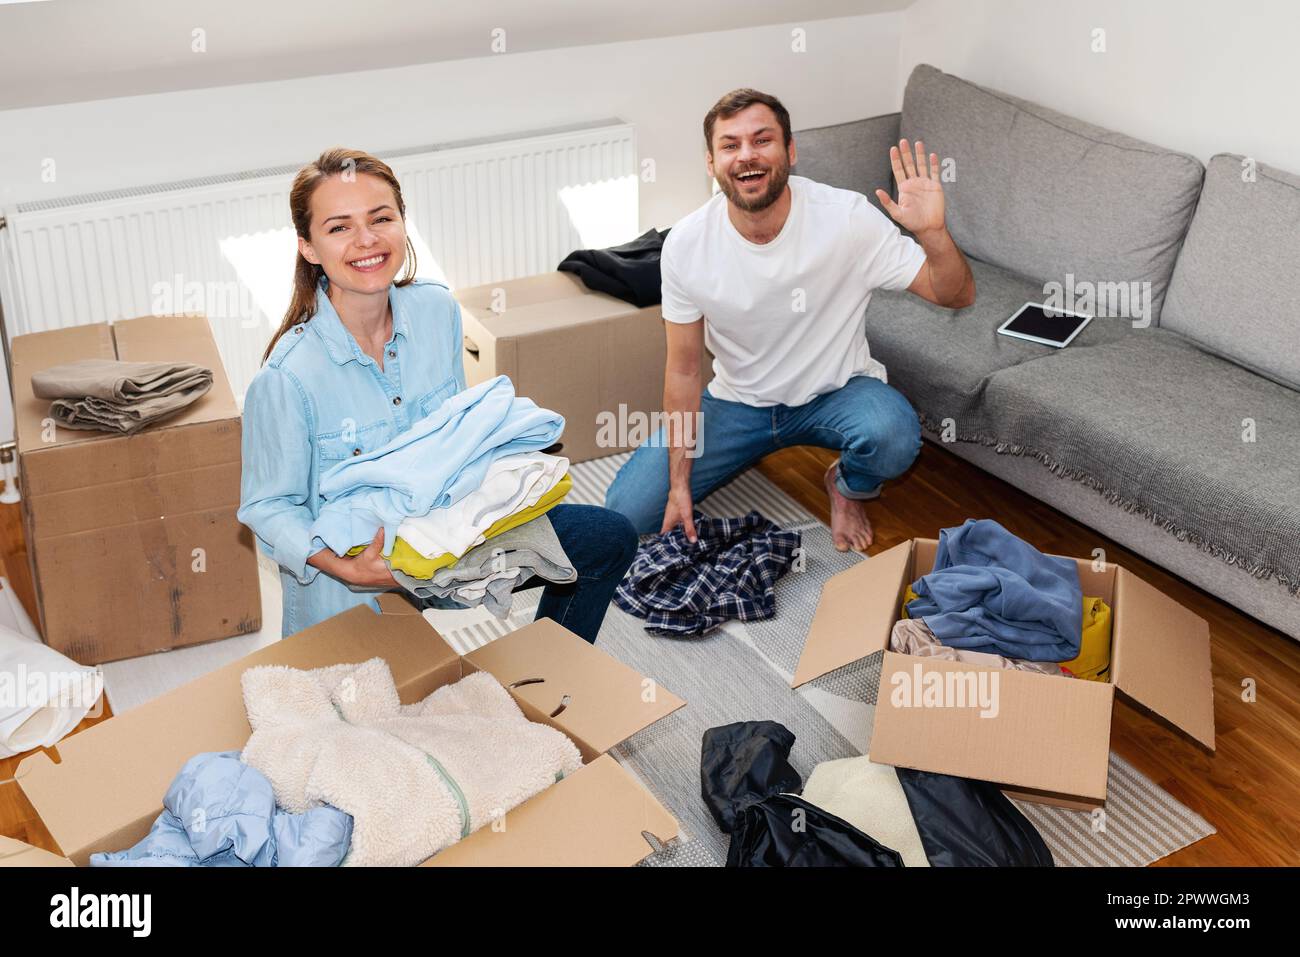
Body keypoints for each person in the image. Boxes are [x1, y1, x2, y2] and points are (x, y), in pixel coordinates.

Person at [239, 148, 637, 641]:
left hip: (450, 539)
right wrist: (349, 570)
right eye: (339, 227)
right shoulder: (286, 378)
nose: (366, 240)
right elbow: (267, 509)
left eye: (380, 218)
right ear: (309, 247)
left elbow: (458, 431)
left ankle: (550, 672)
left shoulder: (435, 309)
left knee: (610, 538)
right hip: (355, 580)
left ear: (403, 223)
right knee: (378, 711)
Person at [605, 88, 976, 551]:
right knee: (625, 513)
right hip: (738, 402)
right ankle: (705, 470)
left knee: (894, 435)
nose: (746, 156)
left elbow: (956, 294)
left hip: (835, 392)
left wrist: (933, 234)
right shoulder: (686, 244)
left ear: (790, 151)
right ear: (711, 163)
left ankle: (846, 486)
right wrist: (679, 482)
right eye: (730, 145)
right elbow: (682, 369)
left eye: (762, 140)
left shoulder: (846, 219)